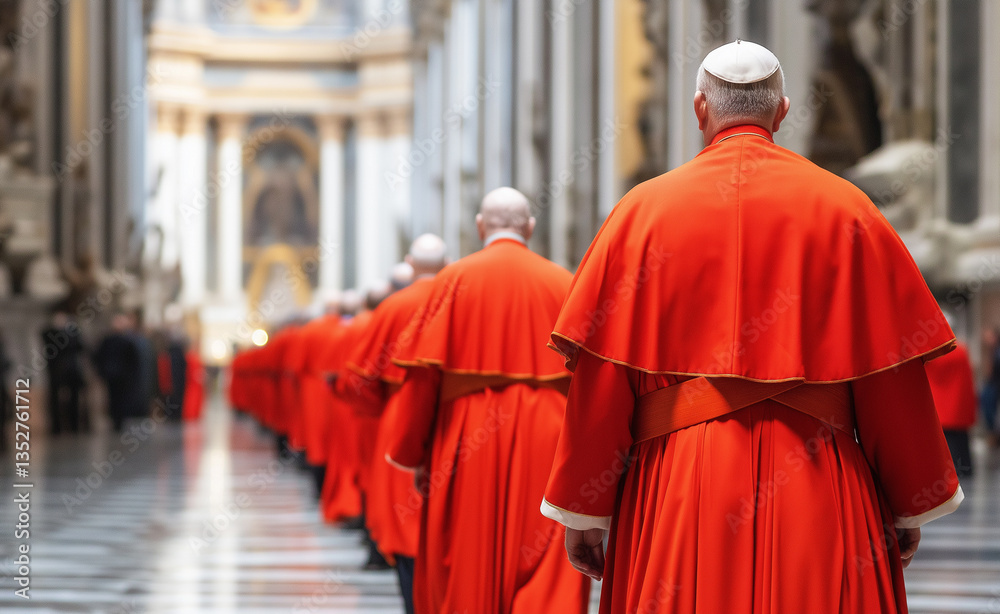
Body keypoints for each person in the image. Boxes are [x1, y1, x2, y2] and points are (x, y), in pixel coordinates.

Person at [541, 40, 962, 614]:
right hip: (820, 477)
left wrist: (584, 510)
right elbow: (890, 378)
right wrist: (907, 500)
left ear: (700, 109)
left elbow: (602, 381)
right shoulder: (847, 210)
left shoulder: (640, 214)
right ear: (782, 110)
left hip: (678, 485)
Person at [387, 188, 591, 614]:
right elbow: (590, 379)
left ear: (481, 226)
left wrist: (413, 452)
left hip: (466, 436)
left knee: (467, 552)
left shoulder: (452, 279)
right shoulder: (564, 281)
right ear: (529, 228)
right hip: (547, 433)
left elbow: (423, 377)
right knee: (542, 549)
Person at [339, 235, 447, 614]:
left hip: (401, 414)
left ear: (410, 262)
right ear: (446, 261)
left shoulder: (393, 306)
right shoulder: (457, 297)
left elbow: (359, 377)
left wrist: (382, 406)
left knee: (405, 520)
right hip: (457, 415)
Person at [926, 339, 978, 477]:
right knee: (961, 442)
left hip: (938, 404)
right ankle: (964, 469)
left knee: (942, 443)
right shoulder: (961, 351)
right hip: (958, 404)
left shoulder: (929, 352)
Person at [93, 314, 147, 432]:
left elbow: (133, 361)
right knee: (114, 399)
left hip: (124, 377)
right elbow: (99, 357)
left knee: (123, 399)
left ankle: (121, 419)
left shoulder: (127, 342)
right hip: (112, 376)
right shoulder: (107, 341)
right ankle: (115, 419)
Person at [41, 312, 86, 434]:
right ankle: (56, 427)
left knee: (74, 398)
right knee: (54, 398)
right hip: (56, 370)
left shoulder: (72, 333)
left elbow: (80, 346)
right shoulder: (49, 333)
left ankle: (74, 425)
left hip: (72, 370)